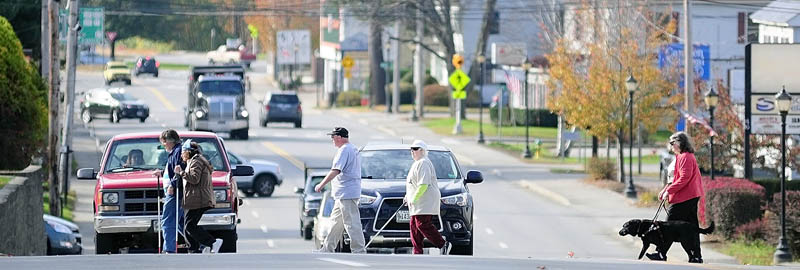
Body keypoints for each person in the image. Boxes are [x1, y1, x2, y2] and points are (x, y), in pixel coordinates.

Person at [652, 132, 705, 263]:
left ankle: (660, 253)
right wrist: (665, 190)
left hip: (685, 197)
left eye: (672, 143)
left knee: (669, 225)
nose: (670, 146)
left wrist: (668, 191)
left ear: (680, 142)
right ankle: (696, 256)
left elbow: (684, 179)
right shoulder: (682, 156)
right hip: (690, 195)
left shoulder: (686, 157)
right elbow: (675, 178)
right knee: (691, 227)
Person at [314, 127, 366, 253]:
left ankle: (359, 250)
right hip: (343, 193)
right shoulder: (352, 148)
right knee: (335, 223)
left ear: (339, 137)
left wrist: (321, 184)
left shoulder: (344, 150)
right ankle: (327, 248)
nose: (332, 139)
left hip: (346, 192)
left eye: (333, 137)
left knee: (352, 223)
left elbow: (336, 170)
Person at [175, 140, 223, 253]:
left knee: (190, 226)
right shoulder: (193, 161)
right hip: (194, 199)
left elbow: (194, 179)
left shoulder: (196, 161)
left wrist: (181, 172)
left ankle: (212, 242)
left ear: (188, 152)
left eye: (183, 152)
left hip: (198, 199)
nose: (181, 154)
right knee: (188, 226)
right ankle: (193, 249)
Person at [405, 140, 450, 255]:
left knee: (422, 224)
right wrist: (408, 196)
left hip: (425, 200)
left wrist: (413, 199)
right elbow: (413, 183)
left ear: (422, 151)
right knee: (414, 226)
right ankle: (417, 250)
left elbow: (424, 184)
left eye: (415, 149)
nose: (412, 152)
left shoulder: (423, 162)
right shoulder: (417, 163)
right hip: (418, 200)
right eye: (411, 149)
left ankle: (443, 244)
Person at [152, 129, 185, 253]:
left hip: (175, 192)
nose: (163, 145)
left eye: (164, 142)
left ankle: (169, 249)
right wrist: (161, 173)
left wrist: (172, 184)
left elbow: (179, 170)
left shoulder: (177, 152)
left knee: (167, 220)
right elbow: (171, 171)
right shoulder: (175, 152)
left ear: (170, 141)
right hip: (175, 191)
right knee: (182, 223)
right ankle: (203, 244)